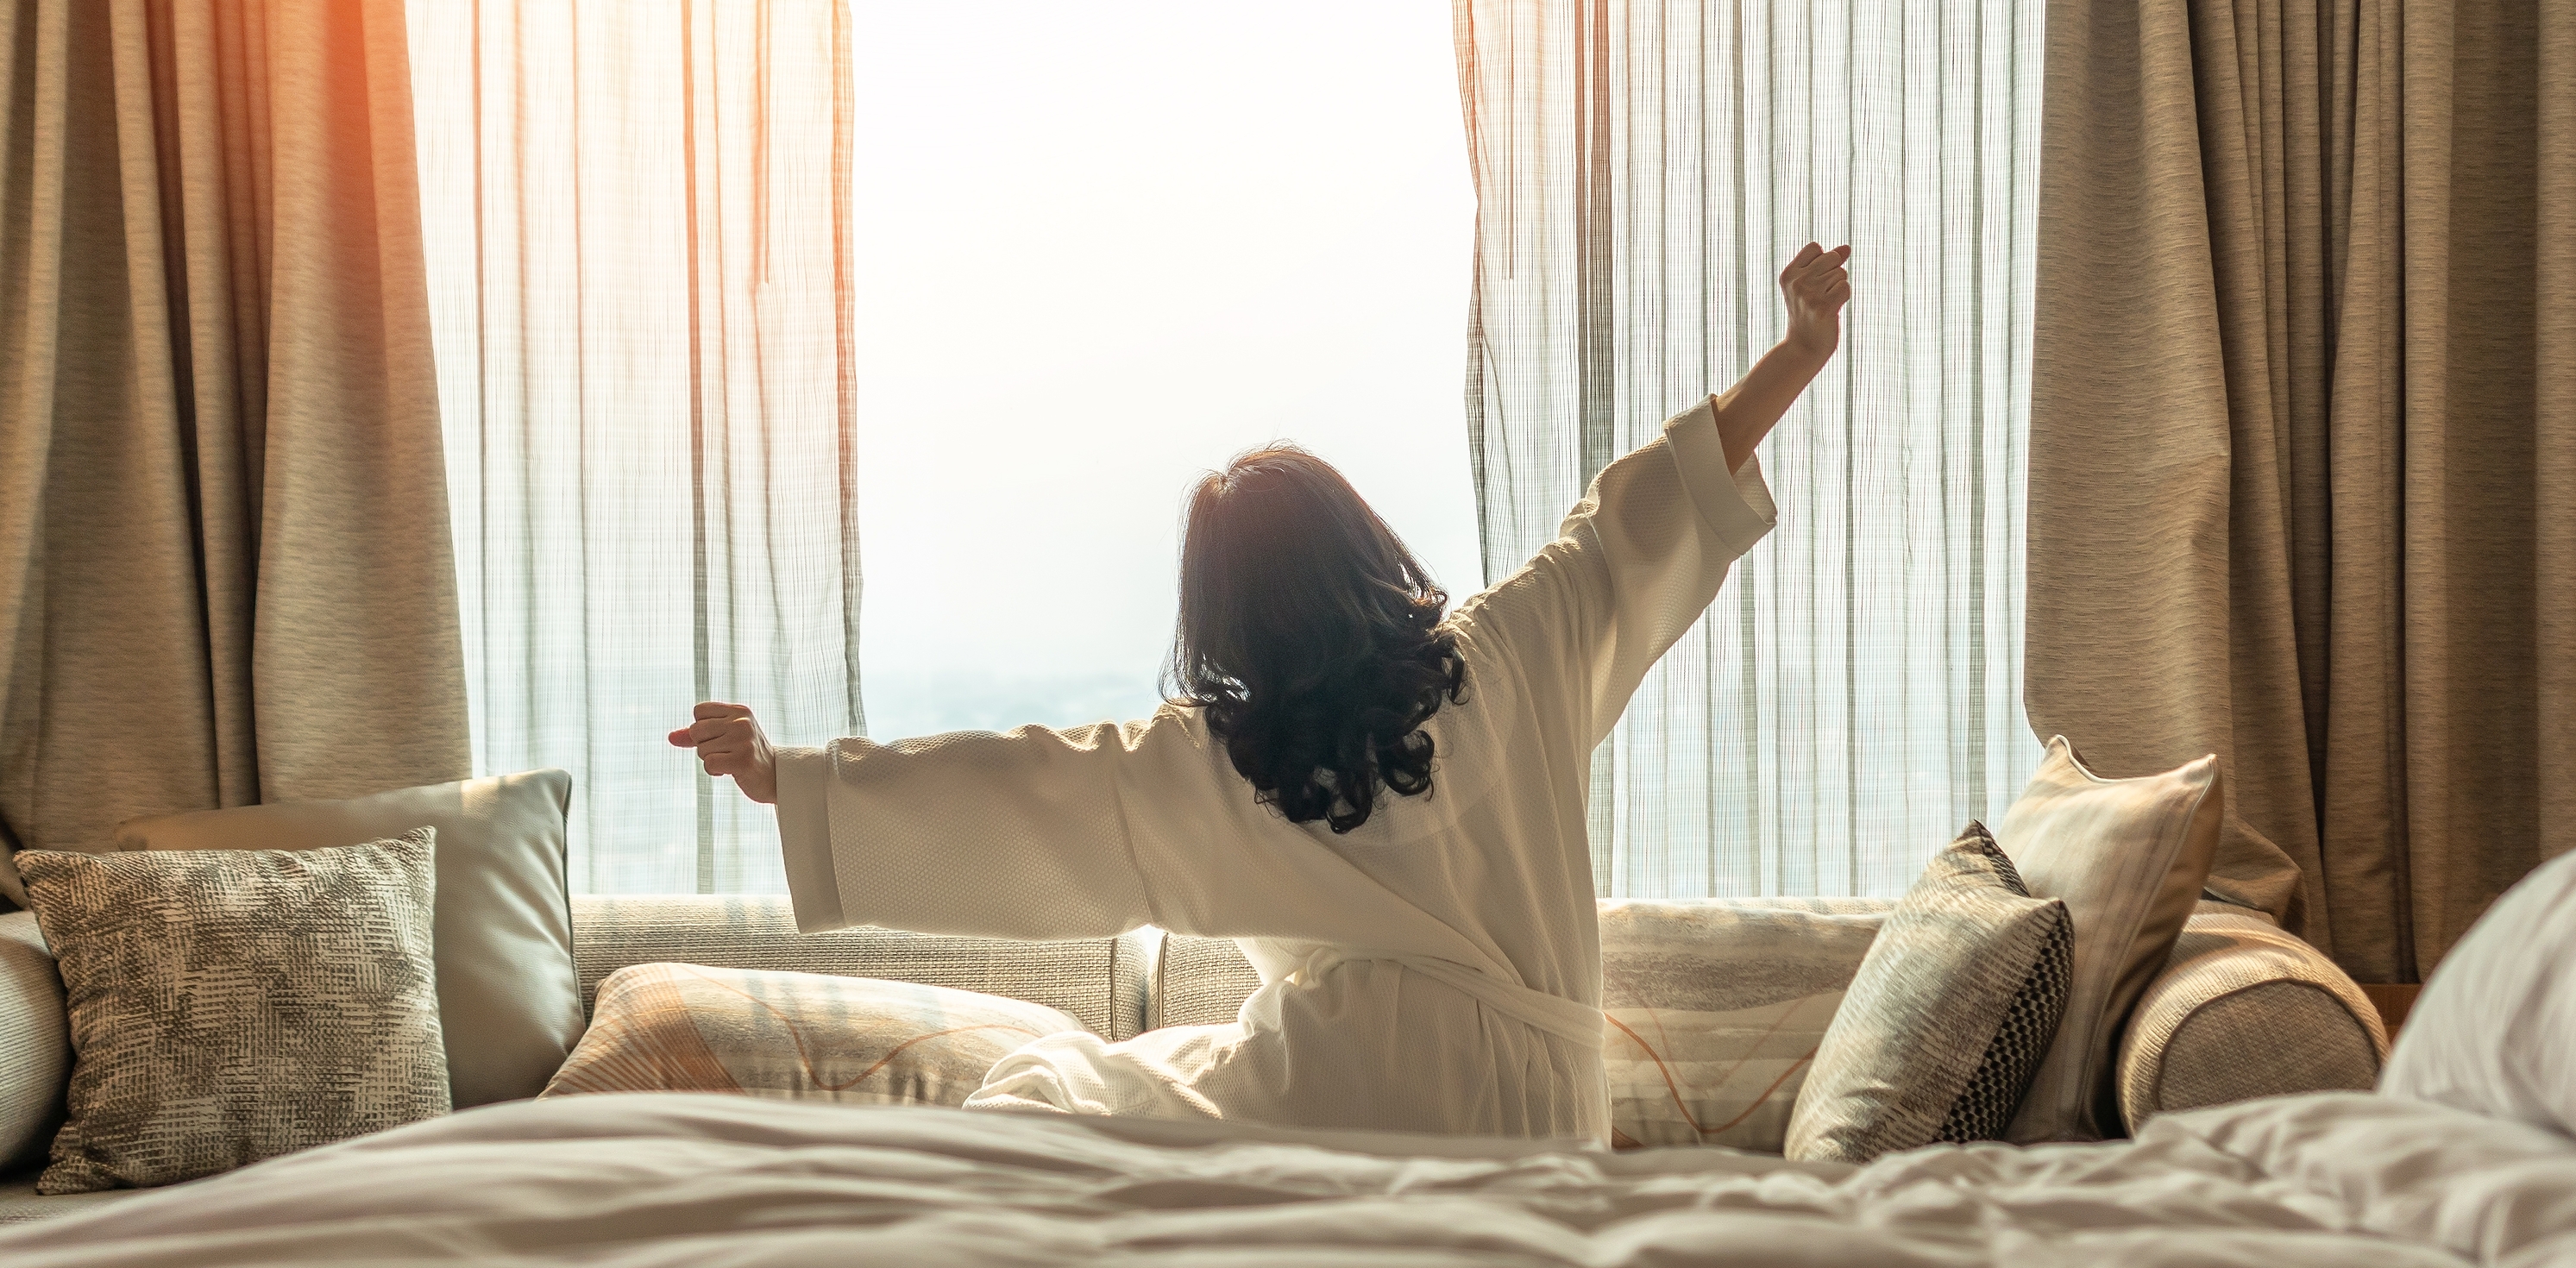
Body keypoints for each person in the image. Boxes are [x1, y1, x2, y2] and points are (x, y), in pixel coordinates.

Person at [672, 243, 1853, 1141]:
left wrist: (795, 778)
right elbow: (1640, 516)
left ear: (1221, 618)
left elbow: (1018, 786)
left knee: (1044, 1091)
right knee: (1100, 1083)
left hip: (1343, 1100)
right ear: (1365, 544)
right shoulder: (1518, 649)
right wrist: (1795, 355)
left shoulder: (1216, 760)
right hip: (1543, 1117)